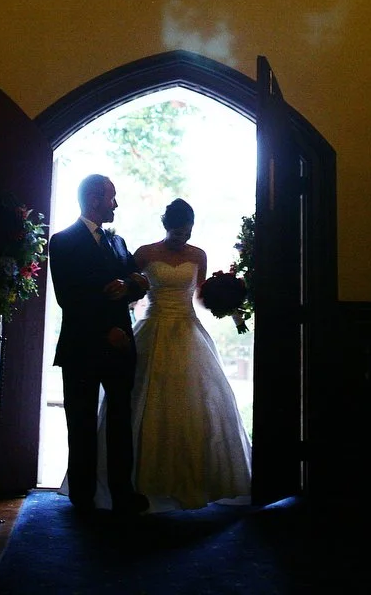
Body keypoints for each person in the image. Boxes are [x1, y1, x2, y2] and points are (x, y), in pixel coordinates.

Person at [127, 198, 252, 510]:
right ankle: (140, 481)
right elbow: (129, 290)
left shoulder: (198, 255)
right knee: (145, 397)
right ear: (166, 226)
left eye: (187, 233)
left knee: (190, 402)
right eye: (177, 233)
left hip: (186, 329)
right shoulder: (145, 253)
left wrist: (229, 302)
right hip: (152, 328)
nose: (183, 238)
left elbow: (201, 295)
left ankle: (190, 480)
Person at [50, 174, 151, 515]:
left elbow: (137, 282)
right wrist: (103, 330)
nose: (116, 204)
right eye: (112, 197)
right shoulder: (62, 242)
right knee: (80, 423)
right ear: (94, 200)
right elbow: (69, 297)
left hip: (121, 346)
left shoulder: (118, 241)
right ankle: (82, 496)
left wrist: (134, 283)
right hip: (82, 346)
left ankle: (123, 493)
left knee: (120, 421)